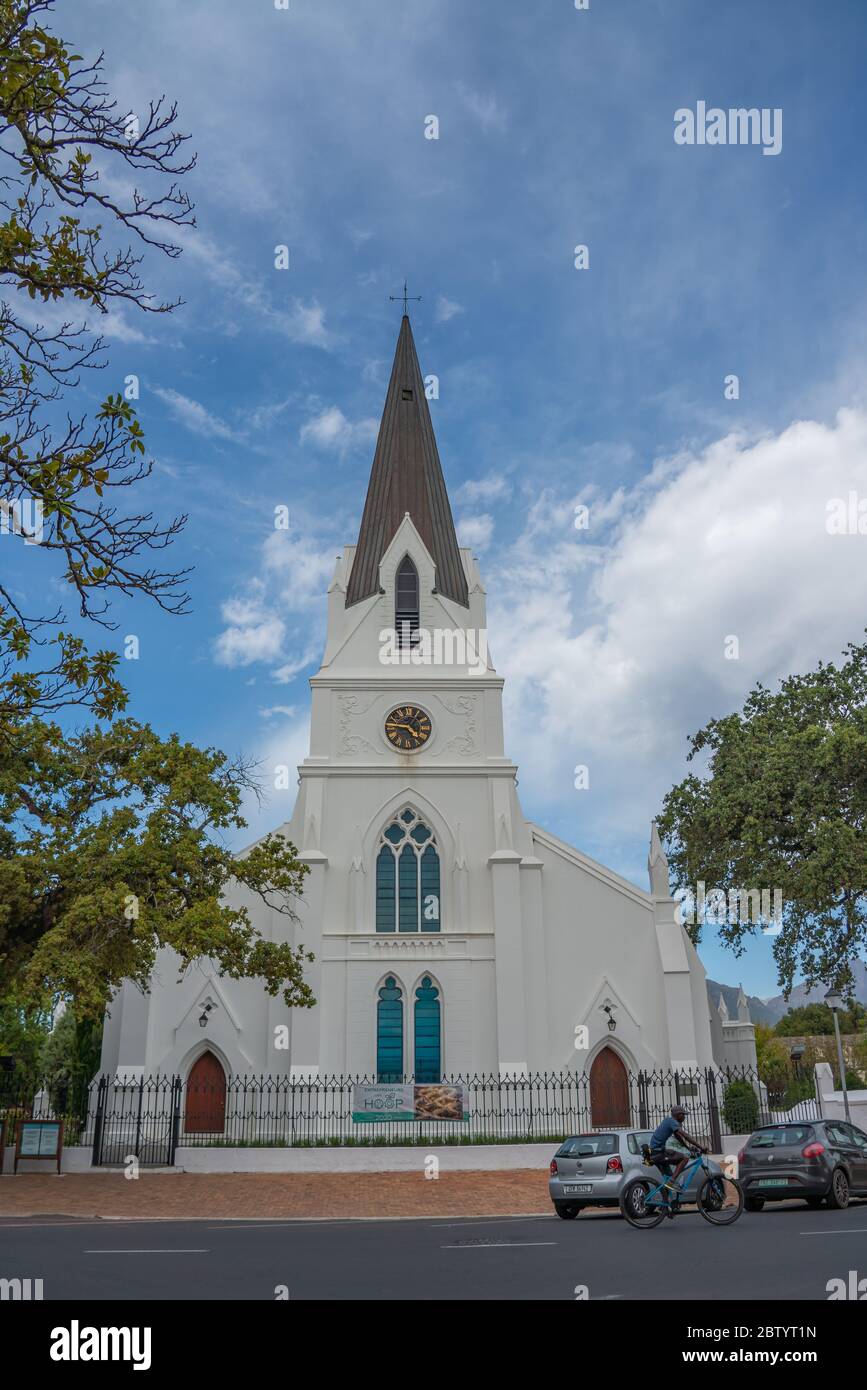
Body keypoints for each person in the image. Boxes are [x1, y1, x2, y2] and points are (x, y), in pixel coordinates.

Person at [647, 1105, 707, 1217]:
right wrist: (701, 1147)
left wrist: (688, 1148)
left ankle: (664, 1207)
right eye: (683, 1115)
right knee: (684, 1158)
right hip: (658, 1153)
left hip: (656, 1152)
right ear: (678, 1115)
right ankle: (671, 1182)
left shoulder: (671, 1122)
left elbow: (679, 1137)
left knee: (669, 1178)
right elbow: (685, 1135)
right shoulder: (672, 1121)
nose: (684, 1117)